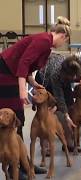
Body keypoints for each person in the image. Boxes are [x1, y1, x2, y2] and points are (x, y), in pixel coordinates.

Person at [0, 16, 70, 179]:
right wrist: (23, 90)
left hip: (13, 73)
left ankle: (25, 163)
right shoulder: (44, 40)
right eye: (64, 41)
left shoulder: (46, 45)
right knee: (13, 118)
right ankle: (14, 167)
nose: (63, 45)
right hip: (5, 71)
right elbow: (23, 62)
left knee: (19, 118)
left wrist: (33, 82)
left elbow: (29, 66)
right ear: (62, 36)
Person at [35, 53, 81, 150]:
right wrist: (66, 115)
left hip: (62, 78)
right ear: (69, 74)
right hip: (45, 82)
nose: (75, 79)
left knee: (69, 110)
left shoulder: (72, 65)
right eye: (74, 77)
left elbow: (79, 77)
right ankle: (45, 144)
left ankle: (69, 143)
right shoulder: (56, 74)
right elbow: (59, 97)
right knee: (51, 111)